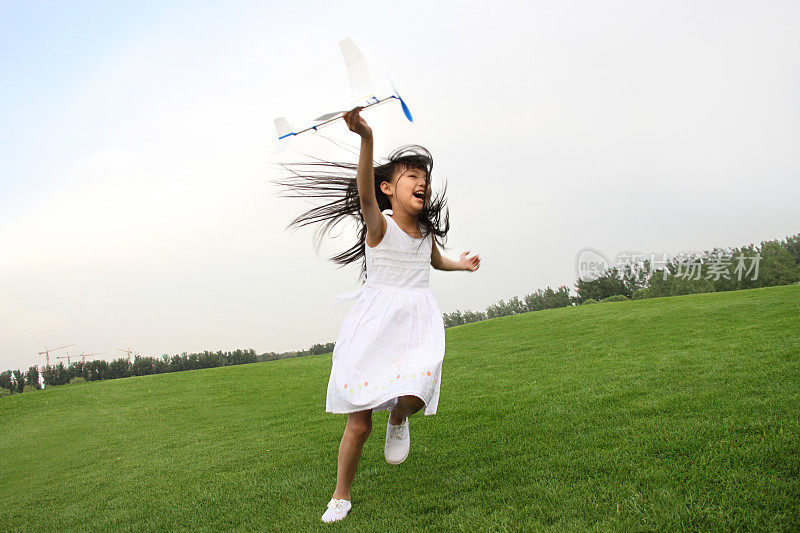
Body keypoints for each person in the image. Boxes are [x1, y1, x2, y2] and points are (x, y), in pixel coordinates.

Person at [272, 106, 480, 524]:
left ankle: (400, 417)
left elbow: (434, 260)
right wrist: (365, 138)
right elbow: (363, 194)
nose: (422, 184)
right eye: (411, 176)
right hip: (375, 325)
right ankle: (340, 495)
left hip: (416, 319)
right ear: (387, 187)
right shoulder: (379, 225)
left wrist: (461, 263)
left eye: (424, 178)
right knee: (359, 425)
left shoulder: (426, 234)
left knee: (419, 387)